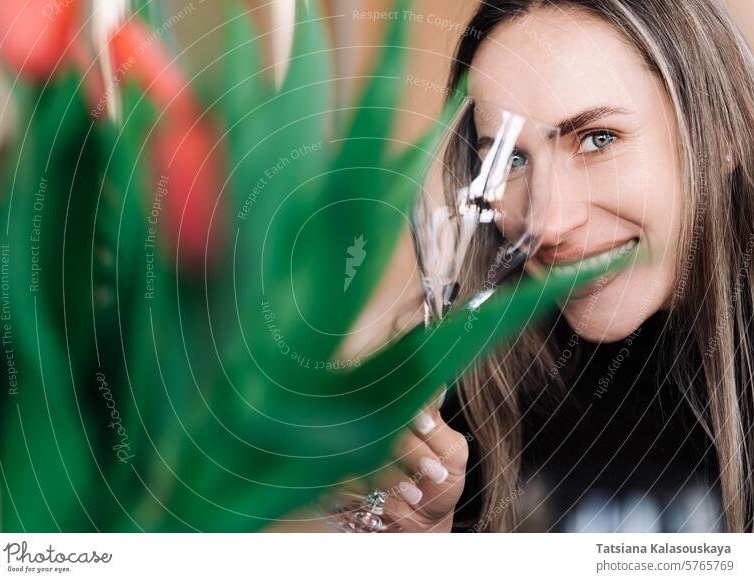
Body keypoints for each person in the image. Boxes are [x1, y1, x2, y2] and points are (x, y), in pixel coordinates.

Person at [269, 0, 754, 532]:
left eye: (598, 140)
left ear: (719, 135)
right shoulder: (471, 388)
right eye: (512, 160)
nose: (546, 223)